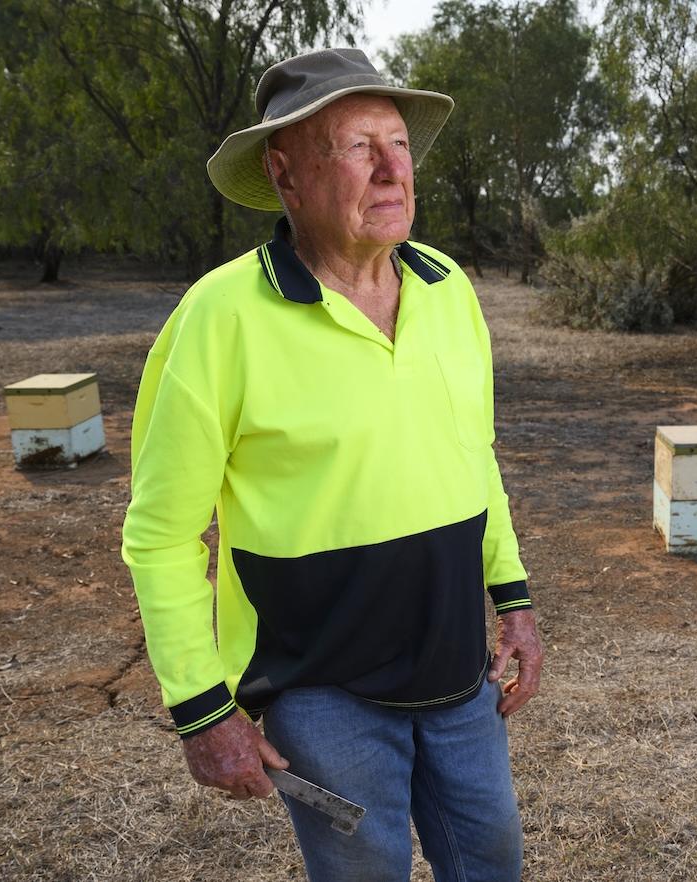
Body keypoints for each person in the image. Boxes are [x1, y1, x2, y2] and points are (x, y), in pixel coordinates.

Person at [119, 47, 543, 882]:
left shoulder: (447, 288)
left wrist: (515, 602)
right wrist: (203, 712)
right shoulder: (221, 317)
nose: (393, 170)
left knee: (491, 861)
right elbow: (161, 536)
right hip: (321, 694)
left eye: (399, 145)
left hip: (460, 674)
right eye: (358, 147)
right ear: (287, 175)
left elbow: (475, 459)